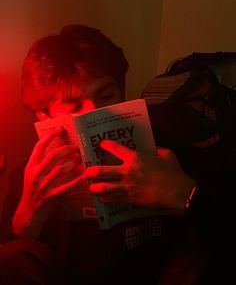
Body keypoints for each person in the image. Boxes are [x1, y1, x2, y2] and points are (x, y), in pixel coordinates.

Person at [0, 24, 228, 285]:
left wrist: (185, 193)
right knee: (14, 256)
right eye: (74, 106)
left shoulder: (167, 148)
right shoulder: (31, 174)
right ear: (44, 115)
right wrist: (26, 218)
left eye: (106, 95)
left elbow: (220, 232)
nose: (96, 113)